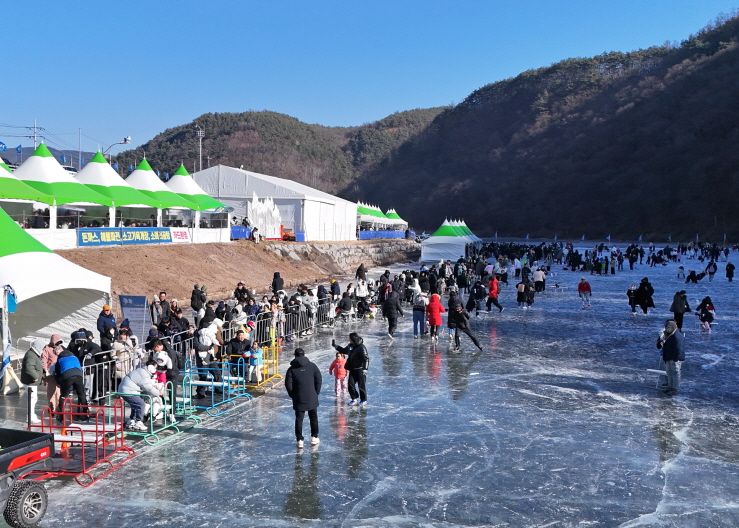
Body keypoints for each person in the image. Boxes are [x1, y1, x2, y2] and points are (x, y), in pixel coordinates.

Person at [284, 348, 322, 449]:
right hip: (311, 396)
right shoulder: (312, 366)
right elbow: (319, 379)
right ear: (304, 355)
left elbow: (288, 384)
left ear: (295, 356)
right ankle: (314, 437)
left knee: (299, 419)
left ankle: (300, 440)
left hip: (298, 397)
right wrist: (316, 392)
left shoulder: (291, 369)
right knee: (313, 418)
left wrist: (293, 394)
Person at [118, 360, 163, 431]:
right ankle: (138, 421)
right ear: (151, 367)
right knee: (141, 404)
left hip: (125, 390)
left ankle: (131, 421)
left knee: (135, 405)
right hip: (128, 391)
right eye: (155, 367)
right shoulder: (144, 374)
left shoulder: (142, 371)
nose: (155, 370)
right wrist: (158, 393)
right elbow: (148, 388)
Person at [333, 332, 369, 407]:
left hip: (360, 369)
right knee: (350, 385)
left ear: (353, 339)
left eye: (349, 338)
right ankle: (354, 398)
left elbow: (366, 358)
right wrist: (336, 346)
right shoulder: (350, 346)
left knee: (361, 386)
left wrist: (365, 369)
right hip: (352, 369)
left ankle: (363, 400)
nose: (348, 339)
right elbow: (344, 350)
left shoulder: (361, 347)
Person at [54, 347, 89, 418]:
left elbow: (57, 373)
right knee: (81, 394)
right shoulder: (75, 358)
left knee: (64, 395)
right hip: (78, 375)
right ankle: (86, 412)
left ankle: (61, 414)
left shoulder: (60, 359)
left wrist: (58, 382)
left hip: (67, 376)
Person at [20, 338, 45, 424]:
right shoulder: (31, 355)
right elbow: (29, 368)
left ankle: (31, 415)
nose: (42, 350)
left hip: (31, 382)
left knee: (33, 399)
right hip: (31, 382)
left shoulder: (33, 354)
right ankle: (30, 416)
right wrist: (36, 376)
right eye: (42, 348)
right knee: (32, 399)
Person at [656, 320, 684, 396]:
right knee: (669, 373)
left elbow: (679, 349)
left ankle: (674, 389)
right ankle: (670, 387)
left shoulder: (677, 336)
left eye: (667, 328)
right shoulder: (669, 334)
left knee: (675, 374)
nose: (666, 329)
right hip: (668, 358)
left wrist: (675, 359)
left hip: (674, 359)